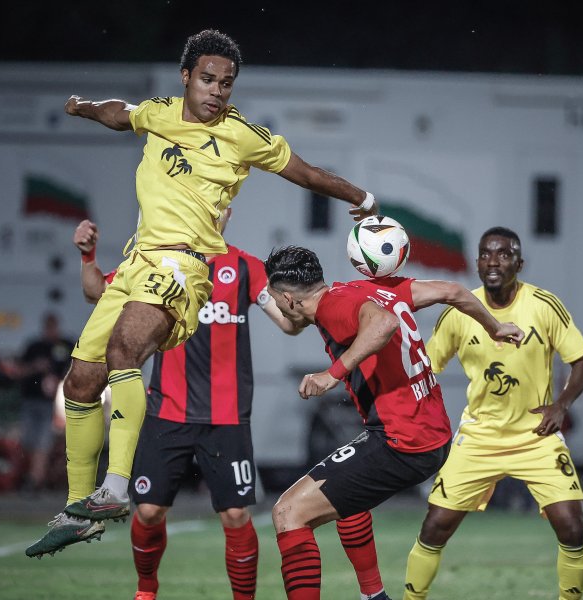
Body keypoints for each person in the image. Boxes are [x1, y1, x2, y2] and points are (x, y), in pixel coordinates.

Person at [26, 28, 378, 558]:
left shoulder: (241, 135)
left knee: (124, 351)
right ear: (186, 76)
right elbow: (120, 114)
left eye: (226, 83)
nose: (217, 91)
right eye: (208, 80)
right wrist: (82, 107)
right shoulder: (160, 113)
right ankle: (79, 510)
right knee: (79, 383)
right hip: (137, 260)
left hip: (185, 266)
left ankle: (114, 488)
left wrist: (362, 197)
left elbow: (304, 173)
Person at [73, 217, 392, 600]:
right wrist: (88, 255)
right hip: (167, 411)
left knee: (236, 515)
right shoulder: (154, 263)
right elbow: (95, 292)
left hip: (227, 417)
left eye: (219, 206)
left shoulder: (244, 267)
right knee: (149, 512)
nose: (214, 213)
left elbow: (288, 324)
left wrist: (304, 306)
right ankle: (146, 591)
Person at [263, 245, 525, 600]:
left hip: (401, 441)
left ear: (288, 298)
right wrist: (495, 327)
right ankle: (374, 596)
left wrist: (331, 374)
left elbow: (383, 324)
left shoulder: (333, 308)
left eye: (276, 299)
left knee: (288, 512)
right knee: (343, 494)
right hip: (430, 433)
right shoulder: (365, 289)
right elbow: (453, 291)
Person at [401, 227, 583, 600]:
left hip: (536, 436)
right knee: (435, 527)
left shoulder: (543, 305)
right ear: (477, 263)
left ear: (519, 264)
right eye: (486, 254)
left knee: (572, 526)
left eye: (504, 254)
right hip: (479, 437)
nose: (494, 261)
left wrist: (561, 404)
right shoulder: (460, 311)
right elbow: (424, 368)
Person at [0, 312, 75, 494]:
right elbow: (17, 371)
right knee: (29, 441)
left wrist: (58, 380)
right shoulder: (34, 347)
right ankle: (34, 477)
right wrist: (35, 366)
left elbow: (74, 367)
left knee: (43, 441)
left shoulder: (65, 346)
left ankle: (35, 479)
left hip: (51, 404)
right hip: (30, 400)